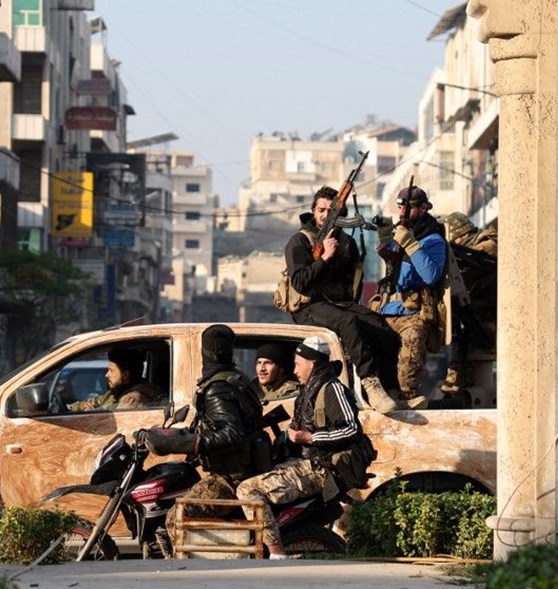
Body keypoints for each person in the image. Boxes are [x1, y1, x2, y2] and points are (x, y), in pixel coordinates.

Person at [236, 336, 375, 559]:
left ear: (312, 363)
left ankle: (276, 553)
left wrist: (309, 437)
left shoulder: (332, 389)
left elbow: (351, 430)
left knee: (248, 490)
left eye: (298, 363)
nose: (295, 369)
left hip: (319, 467)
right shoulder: (309, 389)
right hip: (304, 462)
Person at [144, 325, 272, 549]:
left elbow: (232, 433)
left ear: (205, 353)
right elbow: (218, 425)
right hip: (245, 467)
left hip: (232, 477)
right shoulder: (237, 380)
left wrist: (195, 444)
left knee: (176, 518)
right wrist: (177, 435)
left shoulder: (218, 388)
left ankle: (198, 573)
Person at [284, 186, 400, 414]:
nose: (326, 215)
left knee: (384, 331)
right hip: (309, 306)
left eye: (332, 210)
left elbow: (351, 284)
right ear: (313, 211)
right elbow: (300, 282)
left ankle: (393, 392)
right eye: (321, 210)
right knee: (348, 323)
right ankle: (370, 383)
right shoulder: (300, 241)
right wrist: (325, 257)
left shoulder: (347, 243)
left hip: (339, 303)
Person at [374, 186, 448, 409]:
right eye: (400, 206)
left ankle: (408, 396)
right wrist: (387, 238)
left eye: (409, 207)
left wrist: (410, 244)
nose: (403, 212)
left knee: (410, 352)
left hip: (413, 310)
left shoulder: (432, 239)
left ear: (424, 208)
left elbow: (431, 275)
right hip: (388, 307)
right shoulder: (401, 232)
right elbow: (391, 264)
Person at [441, 212, 498, 402]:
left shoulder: (488, 243)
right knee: (458, 371)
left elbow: (476, 262)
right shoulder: (465, 251)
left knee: (479, 371)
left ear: (461, 234)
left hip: (487, 319)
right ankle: (455, 394)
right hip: (472, 317)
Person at [67, 348, 163, 412]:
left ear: (125, 375)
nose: (106, 375)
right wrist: (71, 408)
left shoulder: (133, 398)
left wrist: (91, 413)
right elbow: (94, 402)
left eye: (111, 371)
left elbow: (116, 422)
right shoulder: (116, 392)